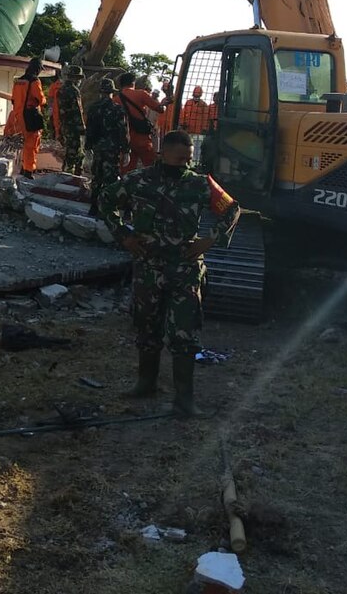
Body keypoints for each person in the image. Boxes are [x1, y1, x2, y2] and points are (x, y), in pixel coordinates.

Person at [100, 129, 241, 416]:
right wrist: (123, 235)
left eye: (188, 160)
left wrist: (210, 238)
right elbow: (105, 200)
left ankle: (184, 400)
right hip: (148, 268)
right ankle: (146, 383)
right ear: (163, 154)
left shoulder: (200, 184)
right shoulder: (138, 181)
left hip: (185, 270)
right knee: (146, 327)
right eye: (178, 160)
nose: (184, 165)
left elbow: (232, 210)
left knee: (184, 334)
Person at [85, 78, 129, 215]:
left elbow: (89, 129)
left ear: (100, 92)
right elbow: (123, 130)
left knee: (96, 177)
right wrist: (126, 150)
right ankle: (108, 209)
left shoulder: (93, 108)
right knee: (110, 178)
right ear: (112, 93)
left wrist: (88, 147)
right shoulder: (117, 109)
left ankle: (93, 207)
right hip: (112, 148)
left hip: (97, 147)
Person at [117, 71, 169, 174]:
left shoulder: (115, 99)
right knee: (154, 169)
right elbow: (159, 109)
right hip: (142, 139)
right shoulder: (141, 94)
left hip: (124, 140)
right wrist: (164, 103)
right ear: (133, 83)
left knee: (126, 171)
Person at [4, 57, 47, 178]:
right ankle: (28, 170)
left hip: (17, 115)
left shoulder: (18, 81)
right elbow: (40, 99)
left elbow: (13, 99)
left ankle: (24, 167)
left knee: (22, 143)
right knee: (31, 144)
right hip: (30, 115)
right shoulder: (34, 81)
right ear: (37, 69)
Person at [57, 65, 86, 175]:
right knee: (75, 153)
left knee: (69, 151)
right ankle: (72, 177)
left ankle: (67, 174)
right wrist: (82, 128)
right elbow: (77, 111)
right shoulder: (74, 91)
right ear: (75, 78)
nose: (79, 81)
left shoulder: (61, 89)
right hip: (74, 127)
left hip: (65, 125)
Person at [48, 67, 64, 137]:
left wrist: (50, 109)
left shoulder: (54, 85)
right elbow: (50, 98)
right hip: (60, 110)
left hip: (56, 111)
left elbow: (50, 99)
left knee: (55, 129)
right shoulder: (64, 84)